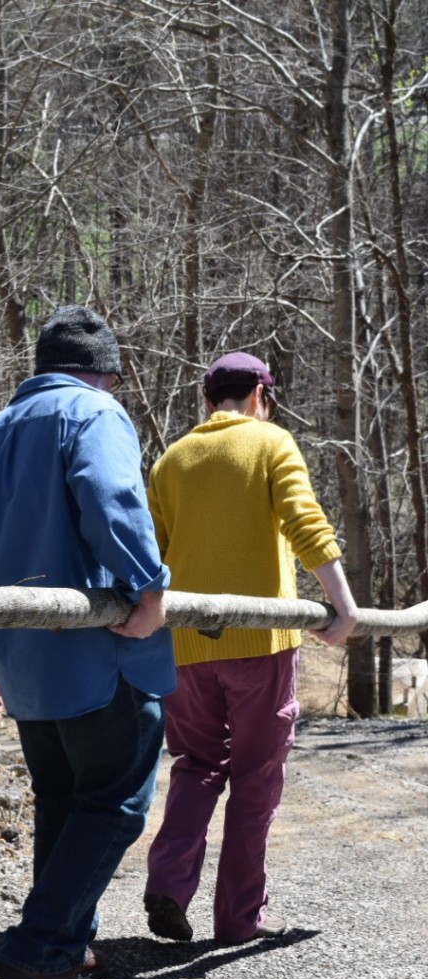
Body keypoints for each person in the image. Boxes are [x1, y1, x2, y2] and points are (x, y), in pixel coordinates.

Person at [0, 305, 177, 979]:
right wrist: (149, 584)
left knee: (63, 801)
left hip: (22, 660)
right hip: (95, 654)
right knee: (115, 799)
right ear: (104, 372)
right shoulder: (94, 413)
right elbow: (110, 500)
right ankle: (42, 948)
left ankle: (68, 942)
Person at [143, 351, 359, 946]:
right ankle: (239, 919)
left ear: (207, 400)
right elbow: (304, 521)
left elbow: (152, 556)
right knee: (257, 775)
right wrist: (343, 604)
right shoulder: (271, 442)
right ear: (261, 396)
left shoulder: (171, 460)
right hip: (262, 644)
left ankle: (168, 881)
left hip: (186, 646)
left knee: (198, 766)